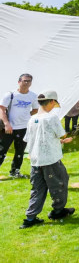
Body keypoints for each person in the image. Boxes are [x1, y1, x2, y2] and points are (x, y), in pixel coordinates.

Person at [21, 90, 74, 228]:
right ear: (51, 101)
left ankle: (30, 218)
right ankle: (58, 211)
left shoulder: (32, 119)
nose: (54, 107)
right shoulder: (51, 118)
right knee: (60, 184)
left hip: (35, 161)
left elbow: (31, 139)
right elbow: (60, 134)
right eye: (54, 104)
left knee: (37, 189)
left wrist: (59, 142)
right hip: (51, 160)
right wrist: (64, 139)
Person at [0, 73, 40, 179]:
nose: (26, 83)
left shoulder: (33, 96)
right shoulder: (10, 94)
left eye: (29, 81)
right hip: (9, 128)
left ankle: (15, 172)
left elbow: (35, 110)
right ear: (19, 82)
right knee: (2, 150)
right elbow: (1, 109)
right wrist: (6, 124)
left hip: (24, 128)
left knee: (20, 151)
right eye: (24, 80)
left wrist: (26, 117)